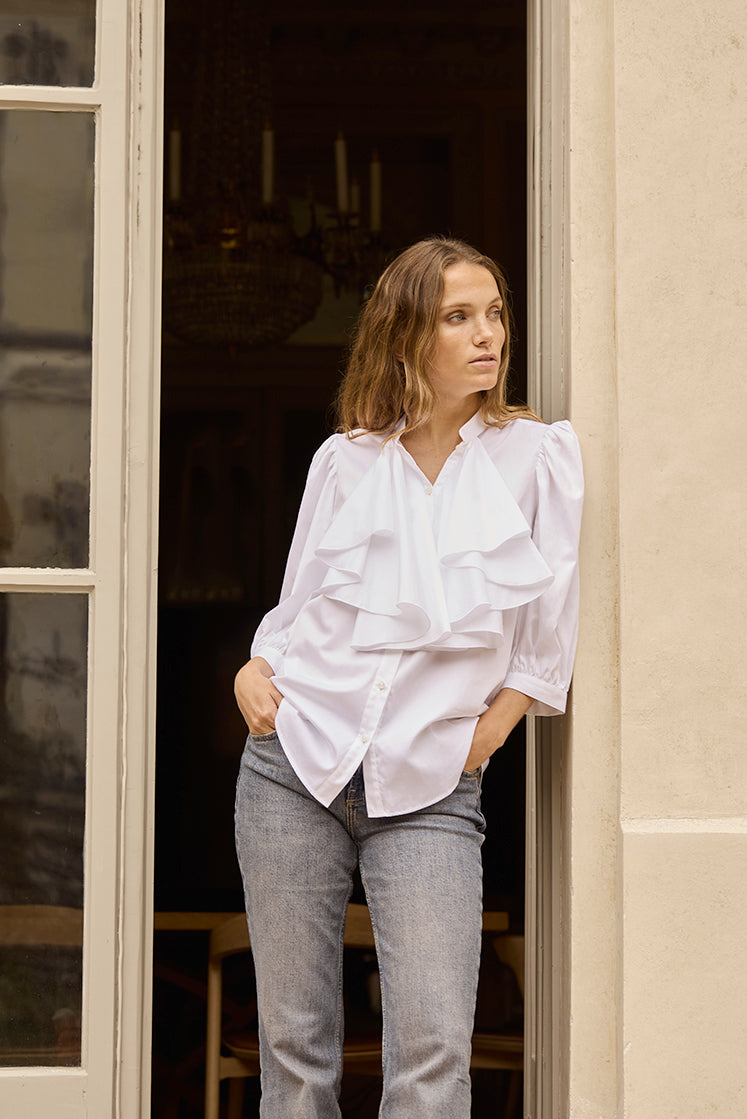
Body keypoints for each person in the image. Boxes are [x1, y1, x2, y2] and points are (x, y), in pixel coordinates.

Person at [233, 236, 583, 1118]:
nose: (486, 335)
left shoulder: (535, 458)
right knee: (294, 1045)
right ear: (405, 337)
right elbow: (294, 607)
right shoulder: (343, 459)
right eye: (457, 317)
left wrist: (491, 729)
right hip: (292, 766)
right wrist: (252, 668)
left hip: (431, 786)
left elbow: (546, 636)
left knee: (430, 1050)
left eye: (494, 313)